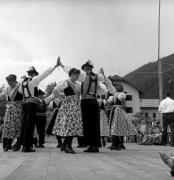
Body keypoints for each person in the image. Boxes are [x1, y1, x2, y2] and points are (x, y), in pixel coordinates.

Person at [58, 59, 107, 153]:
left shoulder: (83, 75)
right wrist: (101, 71)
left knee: (87, 123)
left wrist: (62, 65)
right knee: (95, 124)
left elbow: (70, 70)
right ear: (91, 68)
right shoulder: (98, 77)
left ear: (84, 68)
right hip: (94, 101)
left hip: (85, 101)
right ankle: (95, 145)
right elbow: (103, 79)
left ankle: (90, 145)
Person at [19, 58, 60, 152]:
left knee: (24, 125)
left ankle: (23, 145)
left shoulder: (22, 82)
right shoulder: (34, 80)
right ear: (34, 74)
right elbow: (45, 73)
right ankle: (27, 146)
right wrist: (54, 66)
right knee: (30, 125)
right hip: (32, 103)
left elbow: (20, 91)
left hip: (24, 104)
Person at [45, 68, 83, 154]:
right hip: (68, 107)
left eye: (78, 76)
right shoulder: (65, 82)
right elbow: (55, 90)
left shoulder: (77, 84)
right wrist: (62, 98)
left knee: (73, 126)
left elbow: (79, 94)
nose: (77, 77)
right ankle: (66, 146)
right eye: (76, 75)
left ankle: (65, 146)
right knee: (69, 126)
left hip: (75, 106)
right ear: (71, 74)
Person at [102, 69, 136, 150]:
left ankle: (117, 144)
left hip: (115, 111)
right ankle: (117, 144)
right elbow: (124, 103)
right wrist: (124, 109)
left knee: (115, 127)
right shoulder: (121, 94)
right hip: (119, 111)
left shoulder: (114, 95)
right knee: (118, 127)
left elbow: (108, 102)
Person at [0, 74, 23, 152]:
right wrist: (5, 101)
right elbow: (2, 96)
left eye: (10, 81)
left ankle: (18, 144)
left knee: (17, 126)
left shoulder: (19, 87)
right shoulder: (7, 88)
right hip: (9, 109)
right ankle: (8, 144)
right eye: (8, 81)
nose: (9, 83)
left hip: (18, 109)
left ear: (14, 80)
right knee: (8, 126)